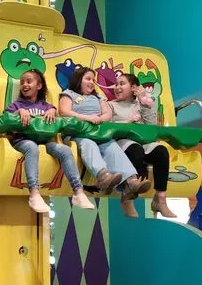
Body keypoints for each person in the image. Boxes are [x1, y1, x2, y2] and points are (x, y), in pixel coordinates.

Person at [58, 67, 151, 217]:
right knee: (88, 144)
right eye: (88, 79)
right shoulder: (69, 94)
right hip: (77, 134)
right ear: (78, 79)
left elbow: (107, 113)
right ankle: (103, 176)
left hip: (98, 132)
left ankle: (131, 181)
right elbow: (64, 111)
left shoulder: (98, 97)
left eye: (93, 80)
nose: (92, 82)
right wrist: (88, 118)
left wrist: (100, 118)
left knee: (111, 146)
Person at [5, 69, 96, 212]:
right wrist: (19, 112)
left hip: (45, 142)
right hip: (23, 140)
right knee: (31, 147)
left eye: (29, 81)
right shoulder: (16, 105)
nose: (24, 85)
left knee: (64, 150)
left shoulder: (46, 106)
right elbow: (5, 117)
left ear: (39, 86)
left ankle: (78, 191)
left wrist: (52, 111)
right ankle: (34, 193)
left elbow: (54, 112)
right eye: (22, 82)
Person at [110, 73, 176, 218]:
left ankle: (160, 200)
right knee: (136, 150)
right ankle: (127, 197)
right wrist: (128, 121)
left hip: (143, 142)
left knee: (161, 151)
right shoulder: (111, 105)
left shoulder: (140, 104)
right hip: (123, 142)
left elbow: (151, 126)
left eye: (122, 83)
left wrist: (144, 101)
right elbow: (108, 125)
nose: (117, 87)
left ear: (134, 87)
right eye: (116, 84)